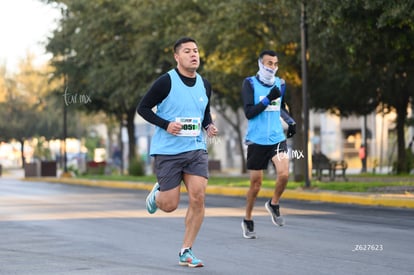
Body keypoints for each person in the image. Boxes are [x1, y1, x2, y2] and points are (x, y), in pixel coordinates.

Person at [136, 37, 218, 268]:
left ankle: (186, 250)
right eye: (188, 51)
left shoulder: (205, 84)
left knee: (198, 197)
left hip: (195, 149)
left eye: (196, 50)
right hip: (168, 151)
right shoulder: (166, 82)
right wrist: (165, 124)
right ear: (177, 57)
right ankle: (157, 194)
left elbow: (204, 112)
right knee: (170, 205)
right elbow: (143, 108)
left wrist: (208, 126)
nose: (194, 54)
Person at [240, 50, 296, 239]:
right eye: (269, 63)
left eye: (275, 63)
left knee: (284, 174)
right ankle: (247, 219)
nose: (272, 67)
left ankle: (274, 203)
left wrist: (291, 121)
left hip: (276, 138)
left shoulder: (280, 84)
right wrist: (267, 98)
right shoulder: (249, 83)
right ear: (260, 64)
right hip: (256, 140)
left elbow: (280, 108)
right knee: (256, 185)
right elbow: (249, 112)